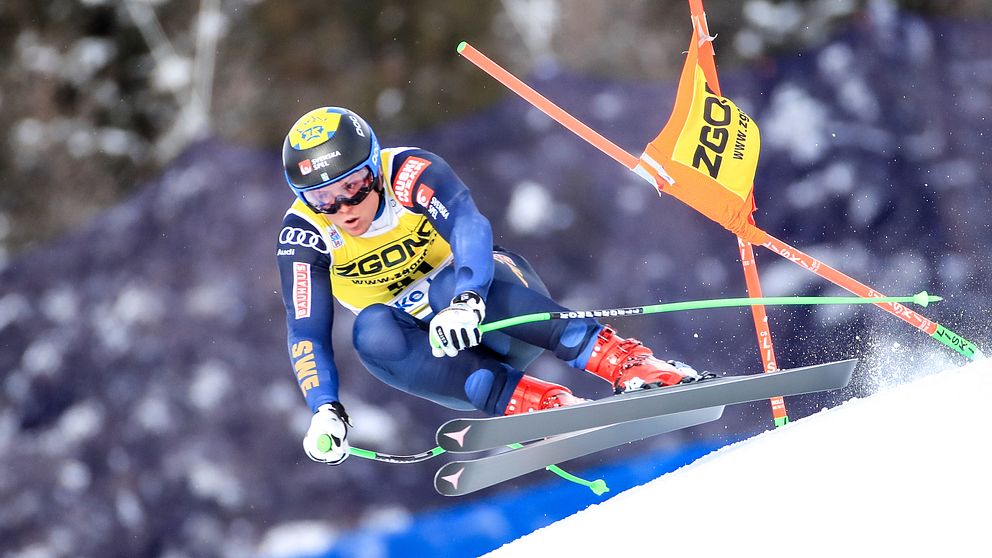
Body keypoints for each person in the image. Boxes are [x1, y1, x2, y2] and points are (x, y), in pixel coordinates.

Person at [276, 107, 701, 465]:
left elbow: (467, 222)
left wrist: (467, 299)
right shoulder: (303, 234)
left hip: (493, 306)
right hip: (445, 351)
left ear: (373, 169)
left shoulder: (408, 173)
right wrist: (324, 409)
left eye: (351, 187)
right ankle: (542, 409)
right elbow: (306, 332)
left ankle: (625, 362)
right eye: (322, 198)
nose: (343, 209)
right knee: (371, 330)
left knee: (444, 288)